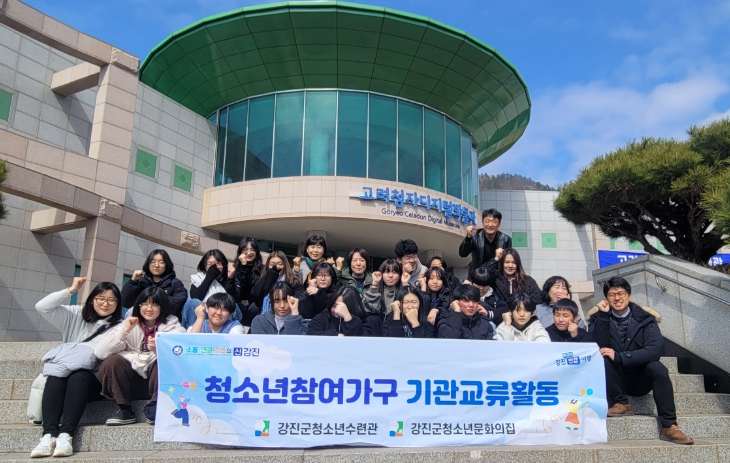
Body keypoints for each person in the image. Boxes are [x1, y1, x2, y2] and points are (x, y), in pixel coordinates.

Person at [588, 277, 693, 445]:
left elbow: (655, 350)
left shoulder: (645, 319)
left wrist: (621, 357)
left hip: (640, 378)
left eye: (621, 293)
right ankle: (621, 403)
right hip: (613, 381)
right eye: (612, 294)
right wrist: (603, 317)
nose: (617, 298)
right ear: (606, 298)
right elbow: (595, 346)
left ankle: (669, 425)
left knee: (658, 368)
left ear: (629, 295)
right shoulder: (598, 318)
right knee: (603, 356)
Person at [31, 277, 122, 458]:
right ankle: (48, 435)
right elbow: (42, 307)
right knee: (56, 375)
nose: (105, 304)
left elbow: (105, 353)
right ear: (92, 300)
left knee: (79, 375)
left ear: (118, 304)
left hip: (93, 381)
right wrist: (70, 290)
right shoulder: (75, 315)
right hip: (64, 377)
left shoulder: (119, 326)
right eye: (101, 298)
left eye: (111, 300)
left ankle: (66, 435)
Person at [95, 287, 185, 426]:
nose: (149, 308)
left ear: (162, 307)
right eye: (145, 304)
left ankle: (156, 406)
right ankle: (125, 409)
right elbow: (100, 353)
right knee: (112, 361)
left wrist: (159, 348)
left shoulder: (173, 327)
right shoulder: (128, 323)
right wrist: (124, 332)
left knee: (166, 362)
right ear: (139, 305)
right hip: (130, 382)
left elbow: (181, 354)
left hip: (157, 384)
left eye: (155, 304)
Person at [121, 249, 187, 319]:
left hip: (165, 320)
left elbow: (178, 304)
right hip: (142, 319)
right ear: (148, 264)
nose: (156, 265)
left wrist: (156, 299)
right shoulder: (141, 282)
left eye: (161, 262)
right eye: (153, 262)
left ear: (167, 265)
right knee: (131, 311)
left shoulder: (175, 283)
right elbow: (124, 301)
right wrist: (133, 281)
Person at [181, 249, 237, 328]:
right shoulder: (198, 278)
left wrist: (230, 279)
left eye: (217, 263)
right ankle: (192, 331)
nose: (213, 267)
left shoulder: (228, 280)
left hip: (221, 315)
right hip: (203, 312)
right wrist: (209, 277)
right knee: (192, 302)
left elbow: (232, 301)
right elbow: (196, 297)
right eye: (209, 264)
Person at [459, 208, 512, 278]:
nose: (490, 225)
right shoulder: (475, 236)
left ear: (499, 224)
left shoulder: (506, 240)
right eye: (487, 221)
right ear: (483, 223)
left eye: (494, 221)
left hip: (496, 278)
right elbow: (463, 254)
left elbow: (508, 261)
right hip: (476, 276)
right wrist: (468, 237)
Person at [248, 251, 302, 318]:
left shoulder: (293, 281)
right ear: (268, 265)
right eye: (272, 264)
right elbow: (255, 296)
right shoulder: (262, 280)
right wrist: (270, 277)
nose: (276, 267)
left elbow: (299, 299)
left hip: (286, 316)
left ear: (285, 265)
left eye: (280, 264)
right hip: (263, 315)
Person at [232, 237, 265, 327]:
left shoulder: (263, 269)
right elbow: (240, 290)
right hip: (239, 308)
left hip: (256, 307)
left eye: (253, 250)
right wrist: (243, 266)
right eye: (245, 249)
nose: (249, 253)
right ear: (240, 251)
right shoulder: (234, 269)